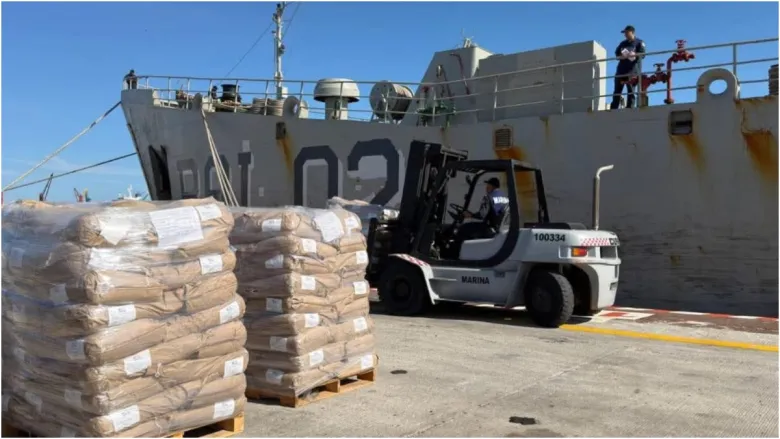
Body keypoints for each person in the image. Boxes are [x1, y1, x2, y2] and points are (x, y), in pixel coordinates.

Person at [610, 25, 645, 110]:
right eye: (624, 33)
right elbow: (617, 54)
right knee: (617, 91)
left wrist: (634, 54)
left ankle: (630, 108)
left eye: (626, 32)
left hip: (632, 71)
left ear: (632, 32)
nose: (625, 34)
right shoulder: (622, 43)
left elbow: (643, 54)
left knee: (631, 91)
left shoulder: (639, 42)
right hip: (621, 71)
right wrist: (621, 56)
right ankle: (614, 108)